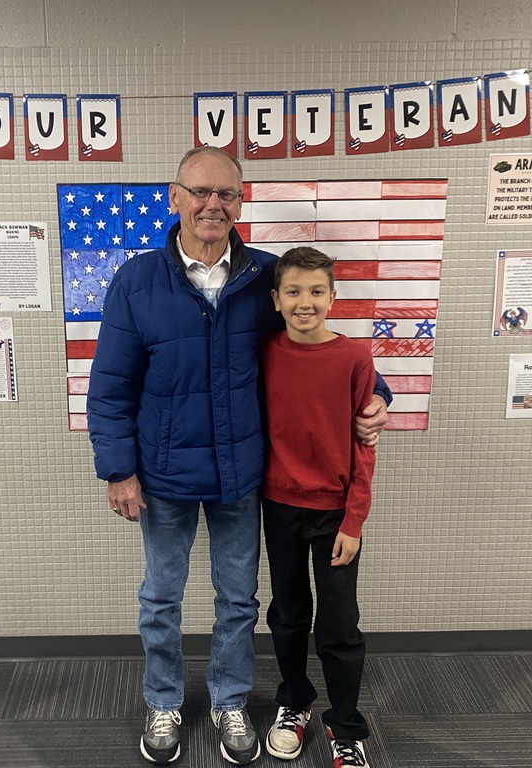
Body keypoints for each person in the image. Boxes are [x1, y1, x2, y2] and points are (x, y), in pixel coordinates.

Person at [86, 146, 391, 766]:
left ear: (240, 201)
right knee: (161, 597)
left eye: (225, 194)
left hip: (241, 475)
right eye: (199, 192)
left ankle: (230, 699)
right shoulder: (137, 280)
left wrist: (378, 395)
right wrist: (119, 469)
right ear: (175, 198)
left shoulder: (265, 280)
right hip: (164, 474)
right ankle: (163, 699)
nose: (211, 204)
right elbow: (110, 386)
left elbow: (321, 347)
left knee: (238, 601)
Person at [259, 247, 376, 768]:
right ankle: (295, 701)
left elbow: (363, 445)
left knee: (338, 623)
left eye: (316, 291)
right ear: (276, 300)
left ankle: (345, 725)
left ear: (333, 296)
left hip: (335, 515)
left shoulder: (355, 358)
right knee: (287, 614)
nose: (305, 302)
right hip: (279, 506)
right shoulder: (263, 352)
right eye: (293, 292)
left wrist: (354, 520)